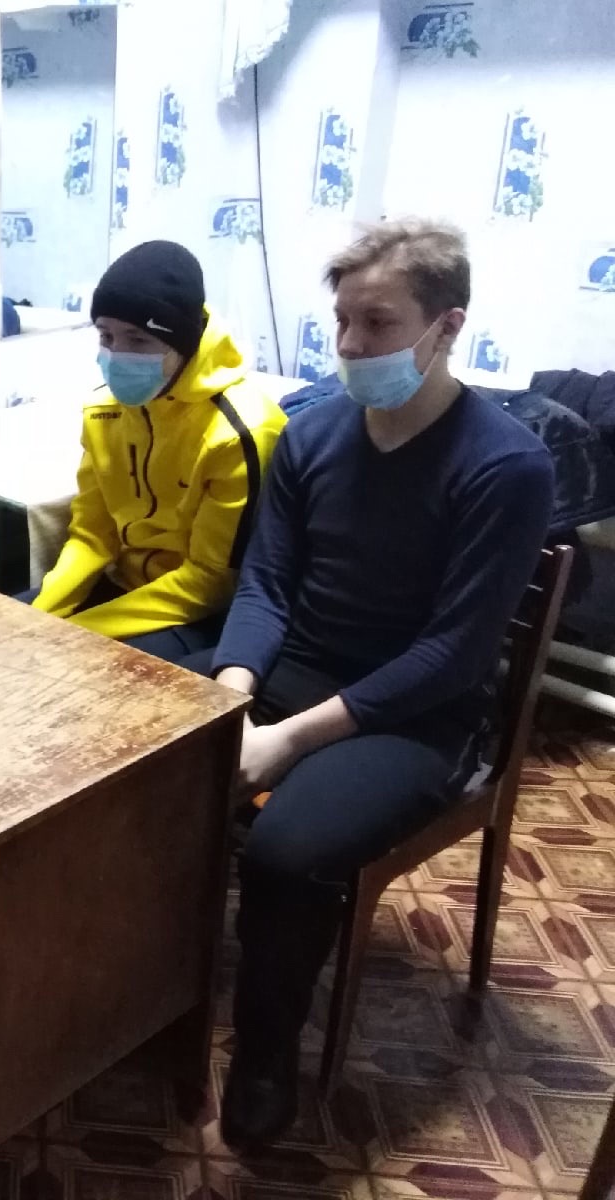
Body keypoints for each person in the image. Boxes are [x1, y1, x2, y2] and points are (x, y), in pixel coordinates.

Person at [200, 220, 555, 1148]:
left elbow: (453, 656)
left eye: (379, 323)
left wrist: (287, 739)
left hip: (418, 716)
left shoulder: (506, 466)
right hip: (291, 675)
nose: (352, 346)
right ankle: (146, 986)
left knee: (285, 853)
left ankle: (266, 1055)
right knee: (129, 754)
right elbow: (267, 583)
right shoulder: (311, 433)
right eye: (344, 322)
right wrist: (230, 694)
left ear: (447, 326)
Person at [31, 241, 287, 662]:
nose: (117, 355)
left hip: (202, 613)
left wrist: (78, 634)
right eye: (106, 336)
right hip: (125, 586)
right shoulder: (104, 412)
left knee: (72, 668)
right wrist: (37, 617)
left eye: (138, 339)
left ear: (183, 344)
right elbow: (92, 536)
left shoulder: (240, 433)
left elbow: (210, 582)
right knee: (0, 628)